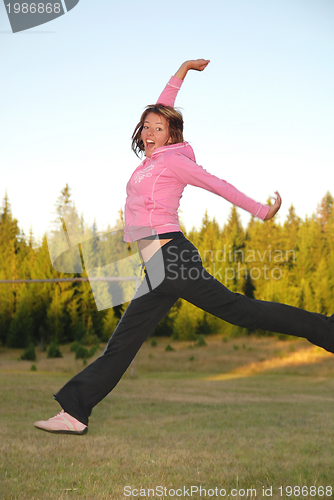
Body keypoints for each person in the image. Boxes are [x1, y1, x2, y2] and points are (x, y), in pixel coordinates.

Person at [34, 59, 334, 435]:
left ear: (172, 134)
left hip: (173, 259)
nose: (149, 132)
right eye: (145, 126)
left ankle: (327, 331)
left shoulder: (174, 161)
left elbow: (218, 185)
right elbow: (162, 107)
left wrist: (261, 210)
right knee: (123, 344)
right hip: (158, 269)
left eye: (158, 128)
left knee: (243, 311)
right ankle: (75, 412)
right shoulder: (151, 159)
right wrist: (182, 70)